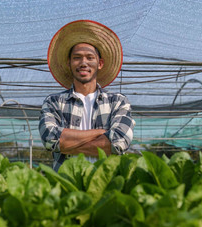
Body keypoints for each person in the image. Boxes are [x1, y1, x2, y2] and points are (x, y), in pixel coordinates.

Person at [39, 20, 135, 171]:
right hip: (66, 184)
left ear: (100, 63)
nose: (83, 63)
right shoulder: (54, 102)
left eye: (90, 57)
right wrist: (101, 133)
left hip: (105, 182)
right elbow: (50, 139)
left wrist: (66, 144)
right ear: (69, 62)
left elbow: (119, 142)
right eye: (77, 57)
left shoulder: (117, 101)